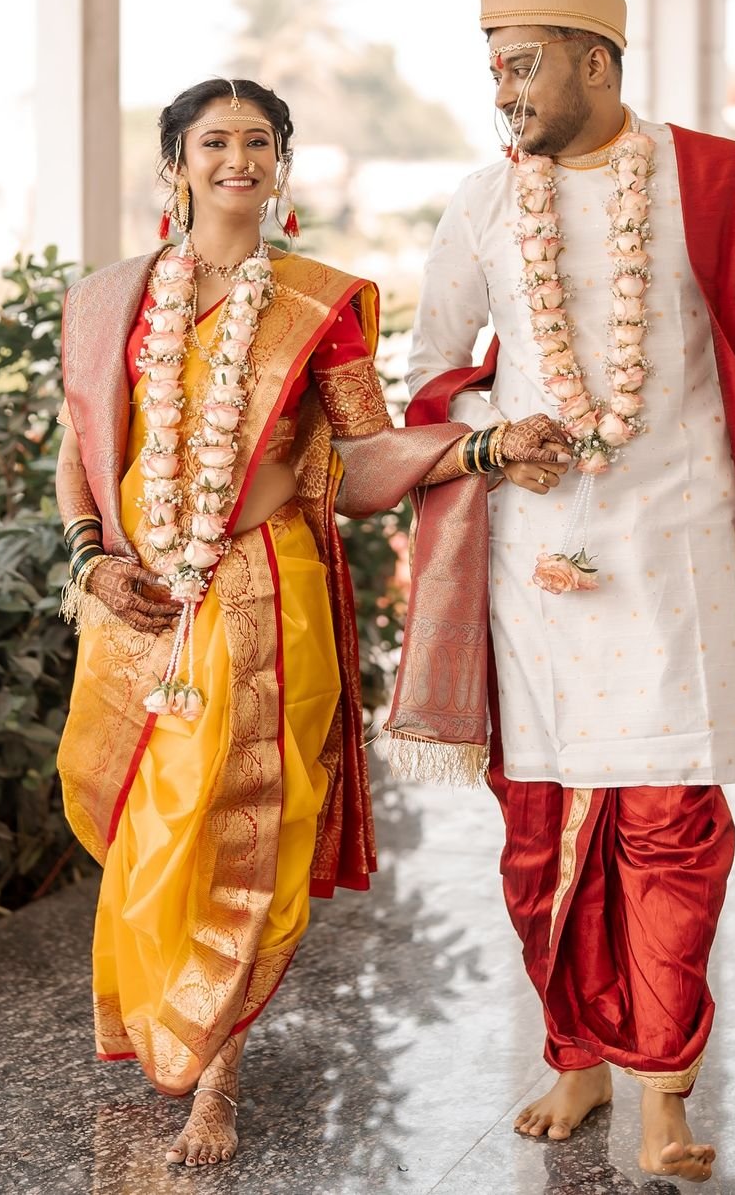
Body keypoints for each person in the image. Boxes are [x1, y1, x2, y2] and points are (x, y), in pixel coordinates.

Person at [386, 0, 735, 1183]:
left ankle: (664, 1081)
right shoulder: (485, 201)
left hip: (678, 550)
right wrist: (505, 429)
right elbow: (433, 370)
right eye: (493, 68)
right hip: (530, 564)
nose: (503, 90)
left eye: (523, 64)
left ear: (598, 63)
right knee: (538, 829)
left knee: (670, 825)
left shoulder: (714, 183)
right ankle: (575, 1050)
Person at [54, 77, 557, 1168]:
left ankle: (217, 1082)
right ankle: (160, 1020)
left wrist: (476, 448)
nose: (238, 157)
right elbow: (81, 450)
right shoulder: (112, 301)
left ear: (282, 162)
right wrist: (91, 559)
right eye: (214, 140)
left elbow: (367, 458)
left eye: (258, 140)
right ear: (175, 162)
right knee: (149, 826)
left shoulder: (319, 303)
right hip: (138, 604)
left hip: (266, 604)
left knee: (242, 830)